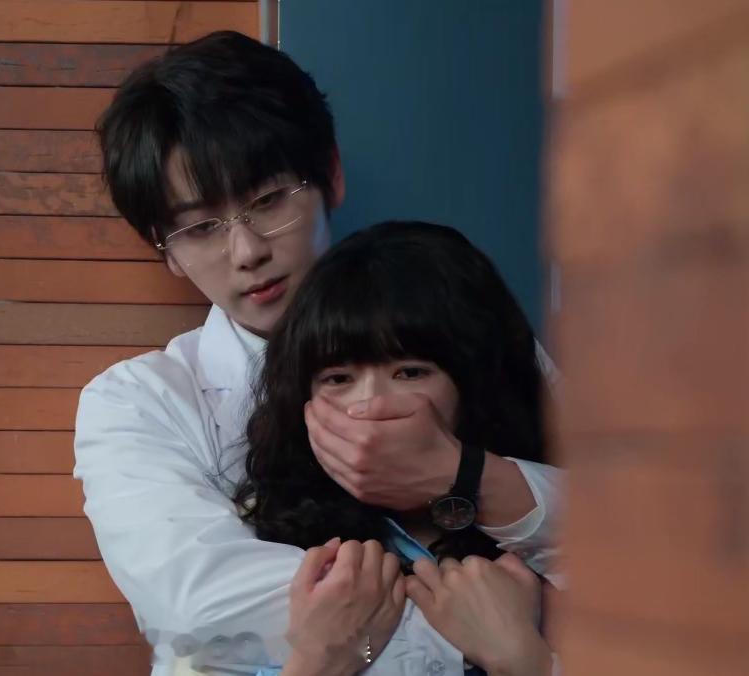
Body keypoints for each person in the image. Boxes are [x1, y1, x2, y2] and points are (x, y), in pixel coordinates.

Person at [74, 31, 562, 673]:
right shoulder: (140, 402)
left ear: (330, 174)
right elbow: (197, 603)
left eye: (268, 201)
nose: (247, 251)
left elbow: (630, 531)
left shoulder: (465, 325)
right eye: (199, 227)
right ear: (164, 249)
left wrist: (467, 476)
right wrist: (502, 628)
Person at [237, 221, 556, 675]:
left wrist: (521, 660)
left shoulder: (551, 535)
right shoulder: (269, 546)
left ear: (475, 381)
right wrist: (321, 660)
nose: (370, 408)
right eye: (338, 379)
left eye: (410, 372)